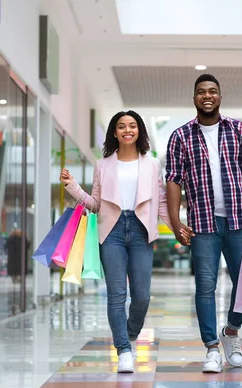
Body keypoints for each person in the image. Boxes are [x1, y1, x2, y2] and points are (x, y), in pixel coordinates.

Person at [60, 110, 190, 373]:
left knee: (141, 296)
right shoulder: (103, 164)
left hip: (142, 231)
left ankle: (130, 334)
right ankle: (123, 351)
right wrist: (73, 186)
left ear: (139, 130)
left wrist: (177, 227)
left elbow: (161, 203)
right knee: (117, 295)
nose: (127, 130)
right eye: (121, 126)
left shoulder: (152, 163)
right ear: (115, 132)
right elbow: (96, 204)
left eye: (132, 125)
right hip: (113, 232)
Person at [165, 74, 242, 373]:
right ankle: (211, 348)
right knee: (205, 287)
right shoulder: (180, 136)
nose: (207, 96)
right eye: (201, 92)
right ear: (194, 97)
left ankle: (231, 333)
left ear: (220, 97)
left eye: (212, 91)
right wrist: (175, 221)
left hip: (239, 221)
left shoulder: (240, 130)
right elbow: (173, 180)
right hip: (202, 224)